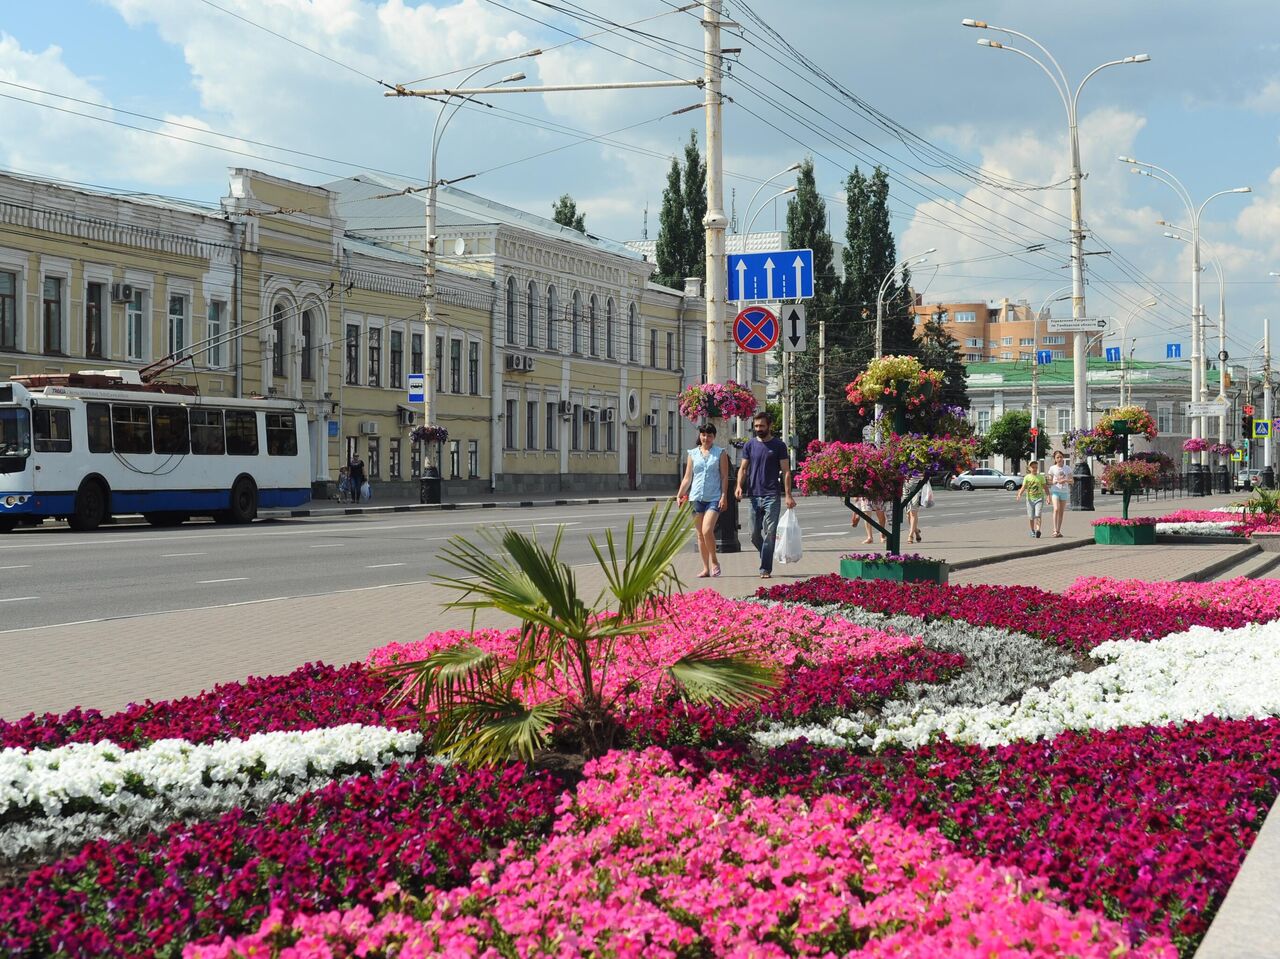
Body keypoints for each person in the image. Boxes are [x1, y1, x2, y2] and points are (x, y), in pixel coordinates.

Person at [734, 411, 796, 579]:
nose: (758, 429)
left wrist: (788, 495)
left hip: (772, 495)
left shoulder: (779, 445)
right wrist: (739, 486)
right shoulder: (750, 445)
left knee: (770, 532)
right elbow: (743, 468)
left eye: (761, 426)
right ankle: (766, 553)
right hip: (753, 495)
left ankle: (765, 569)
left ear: (769, 426)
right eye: (756, 426)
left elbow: (786, 472)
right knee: (753, 534)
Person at [675, 422, 730, 577]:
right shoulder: (693, 453)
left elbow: (724, 476)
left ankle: (714, 561)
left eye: (709, 435)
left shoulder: (720, 453)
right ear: (700, 436)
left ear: (714, 437)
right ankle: (705, 568)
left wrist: (724, 496)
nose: (706, 438)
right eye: (703, 435)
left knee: (707, 530)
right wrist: (679, 494)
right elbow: (687, 477)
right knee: (699, 534)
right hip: (696, 497)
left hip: (714, 497)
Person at [1016, 460, 1048, 538]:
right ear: (1029, 468)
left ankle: (1038, 530)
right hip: (1030, 500)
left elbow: (1045, 487)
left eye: (1036, 467)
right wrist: (1019, 494)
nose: (1034, 469)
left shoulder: (1041, 477)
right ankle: (1032, 530)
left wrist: (1048, 496)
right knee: (1031, 517)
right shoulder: (1027, 477)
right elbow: (1023, 487)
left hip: (1039, 498)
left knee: (1038, 514)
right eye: (1033, 467)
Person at [1047, 450, 1072, 537]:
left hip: (1064, 491)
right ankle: (1054, 530)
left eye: (1061, 457)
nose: (1060, 459)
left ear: (1063, 458)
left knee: (1061, 512)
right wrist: (1053, 481)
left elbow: (1072, 480)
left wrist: (1064, 480)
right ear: (1055, 459)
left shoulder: (1067, 468)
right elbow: (1049, 481)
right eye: (1057, 457)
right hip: (1055, 491)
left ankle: (1058, 530)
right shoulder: (1052, 468)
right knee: (1056, 509)